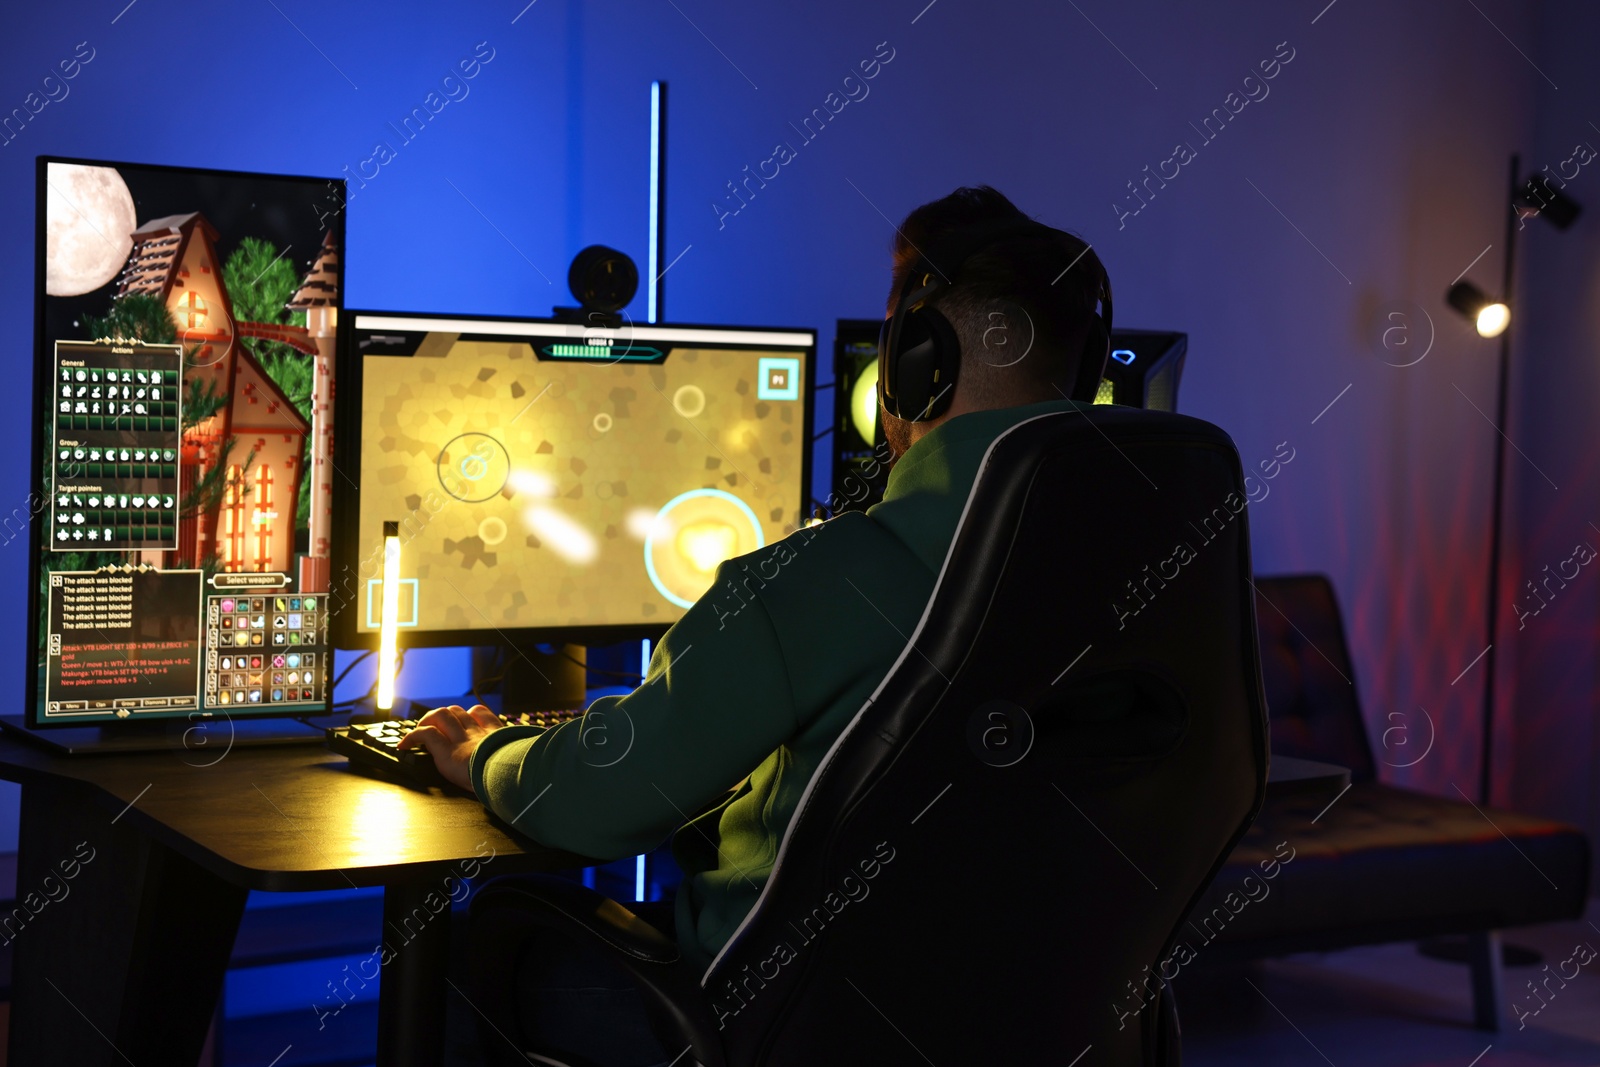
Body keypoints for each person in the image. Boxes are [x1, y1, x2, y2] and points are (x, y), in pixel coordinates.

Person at [401, 185, 1109, 1066]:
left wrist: (484, 752)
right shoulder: (1159, 573)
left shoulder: (821, 580)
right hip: (1046, 1023)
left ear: (911, 363)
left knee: (470, 960)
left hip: (780, 1020)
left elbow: (599, 802)